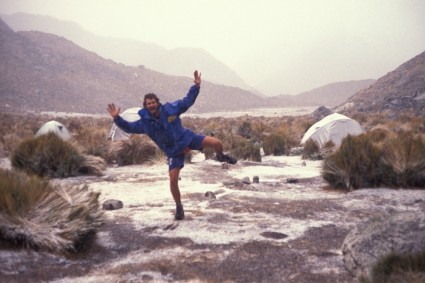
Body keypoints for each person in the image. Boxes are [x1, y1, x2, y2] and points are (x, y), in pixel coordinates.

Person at [107, 70, 236, 220]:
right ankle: (179, 207)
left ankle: (221, 157)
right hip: (173, 151)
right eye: (148, 104)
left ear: (157, 102)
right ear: (145, 106)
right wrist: (117, 118)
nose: (151, 105)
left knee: (216, 143)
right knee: (173, 180)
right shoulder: (145, 123)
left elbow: (187, 101)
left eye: (153, 102)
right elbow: (129, 128)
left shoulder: (170, 109)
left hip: (187, 138)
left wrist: (196, 86)